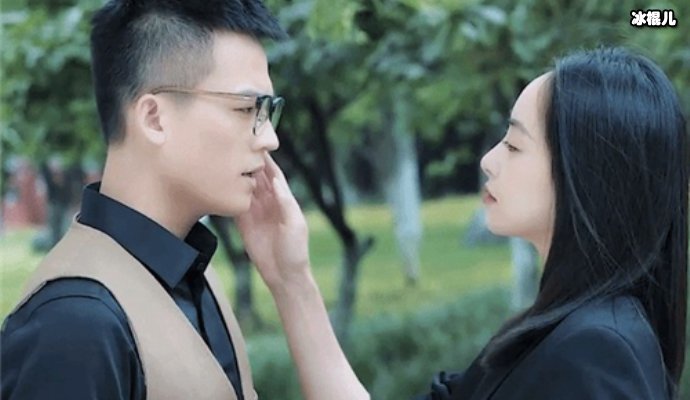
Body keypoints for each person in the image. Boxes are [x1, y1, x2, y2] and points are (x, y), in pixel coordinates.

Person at [236, 46, 688, 399]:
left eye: (514, 145)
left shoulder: (595, 354)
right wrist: (290, 279)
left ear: (586, 176)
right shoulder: (560, 333)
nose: (489, 160)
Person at [1, 1, 286, 399]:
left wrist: (292, 279)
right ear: (154, 118)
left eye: (268, 110)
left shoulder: (192, 273)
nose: (269, 138)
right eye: (245, 108)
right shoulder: (74, 324)